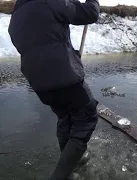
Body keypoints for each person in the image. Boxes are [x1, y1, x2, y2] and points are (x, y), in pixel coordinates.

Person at [8, 0, 100, 179]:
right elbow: (89, 13)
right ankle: (61, 176)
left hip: (38, 81)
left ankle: (73, 160)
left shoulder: (16, 16)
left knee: (65, 118)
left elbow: (41, 41)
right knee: (86, 119)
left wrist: (69, 53)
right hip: (64, 76)